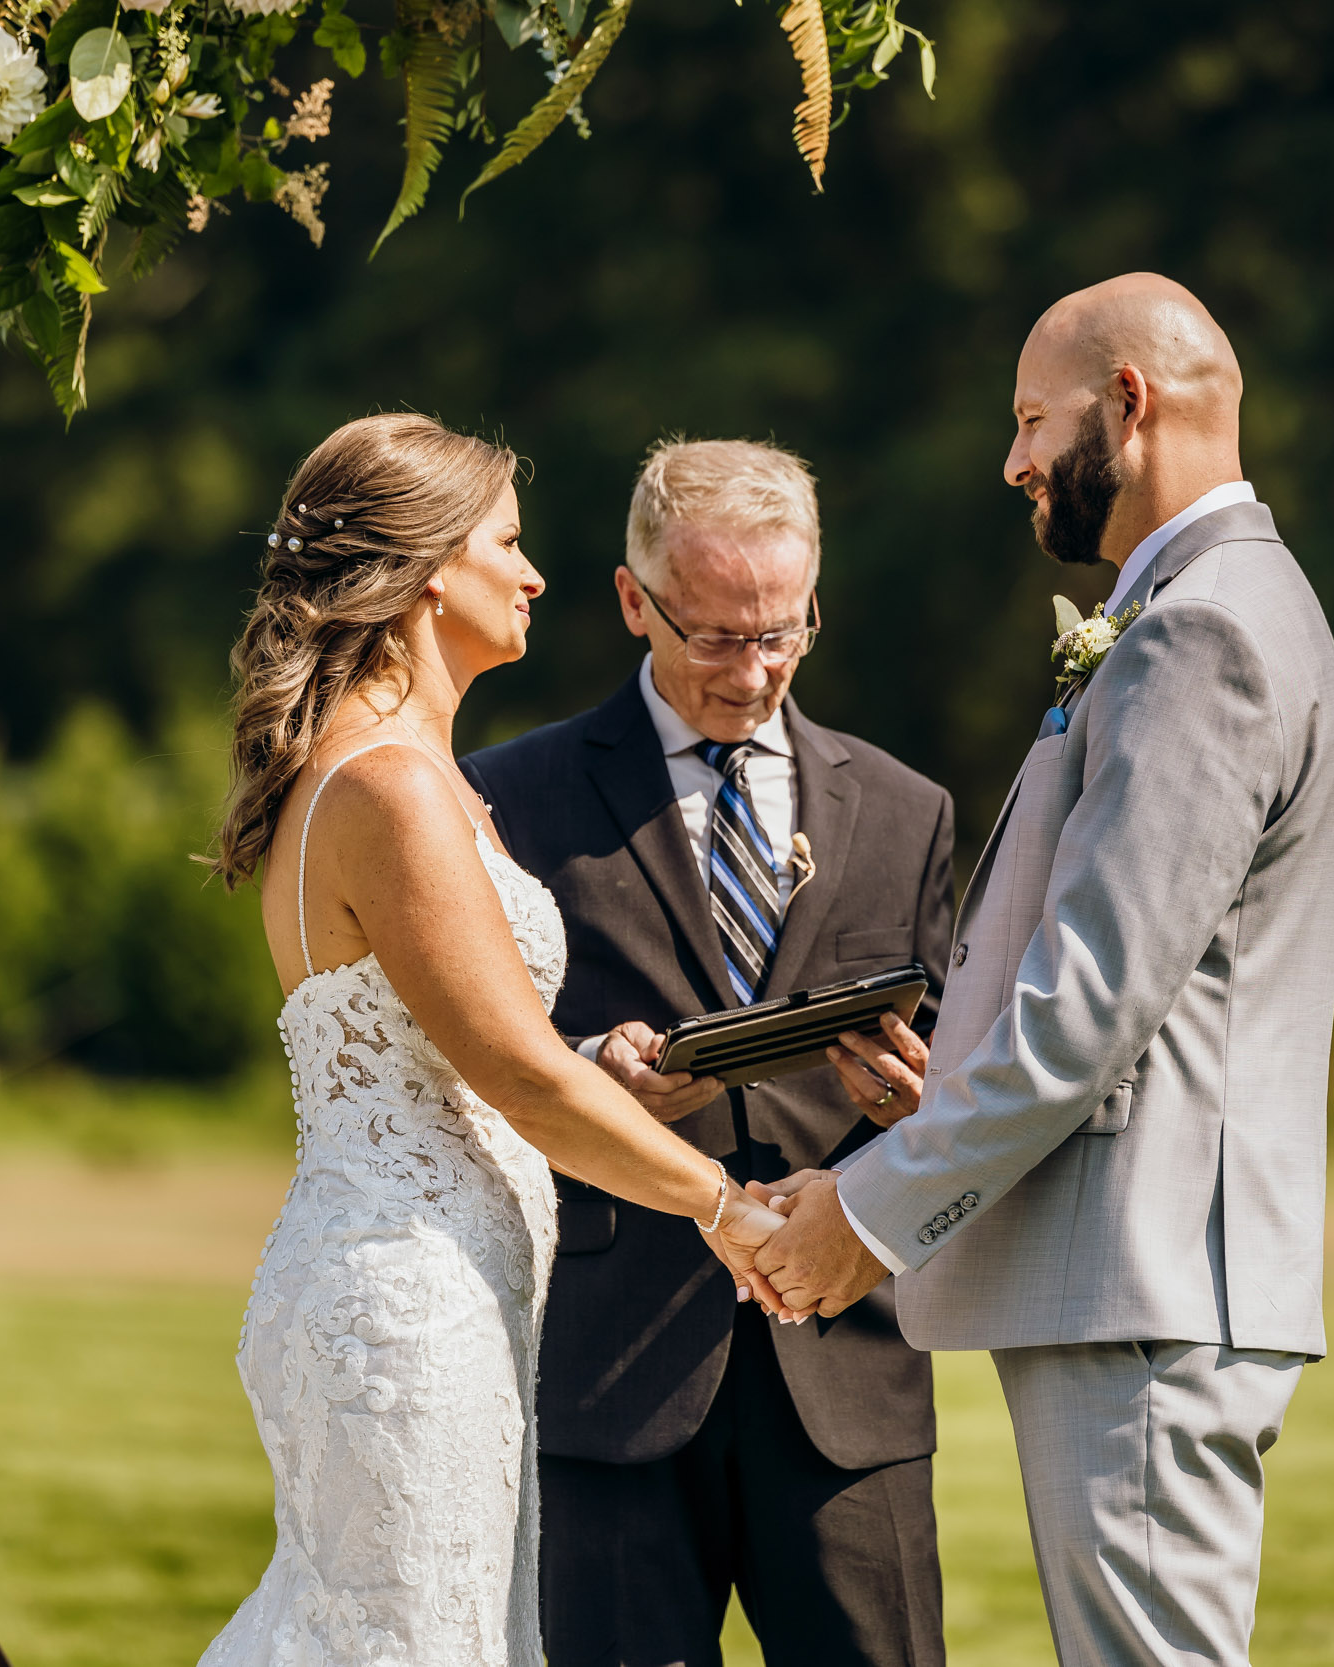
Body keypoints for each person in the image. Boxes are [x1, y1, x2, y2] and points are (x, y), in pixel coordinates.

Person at [754, 275, 1334, 1666]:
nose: (1014, 459)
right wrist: (943, 1088)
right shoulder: (1214, 607)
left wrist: (866, 1208)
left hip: (1148, 1292)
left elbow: (1091, 1006)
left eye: (1034, 417)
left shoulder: (1201, 633)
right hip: (1142, 1288)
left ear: (1129, 404)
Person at [194, 413, 793, 1667]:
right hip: (409, 1302)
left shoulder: (399, 773)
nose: (532, 574)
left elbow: (476, 1055)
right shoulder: (392, 788)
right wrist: (725, 1207)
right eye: (507, 544)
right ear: (422, 574)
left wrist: (603, 1074)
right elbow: (515, 1073)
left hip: (421, 1277)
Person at [462, 438, 956, 1667]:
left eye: (781, 632)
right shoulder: (508, 796)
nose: (754, 670)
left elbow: (958, 1068)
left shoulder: (908, 809)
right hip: (611, 1365)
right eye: (715, 636)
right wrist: (593, 1068)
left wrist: (914, 1100)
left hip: (849, 1372)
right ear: (633, 600)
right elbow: (475, 1056)